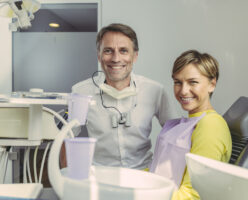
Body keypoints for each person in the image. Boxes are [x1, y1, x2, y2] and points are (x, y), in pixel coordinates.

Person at [71, 23, 177, 169]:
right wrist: (67, 178)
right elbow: (66, 136)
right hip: (101, 174)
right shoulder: (81, 92)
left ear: (135, 56)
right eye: (108, 51)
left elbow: (175, 134)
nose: (116, 58)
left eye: (123, 51)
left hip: (143, 173)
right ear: (99, 55)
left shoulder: (155, 91)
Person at [150, 50, 232, 200]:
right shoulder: (186, 123)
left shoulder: (211, 125)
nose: (183, 90)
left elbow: (193, 195)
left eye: (192, 82)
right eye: (177, 82)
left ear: (212, 84)